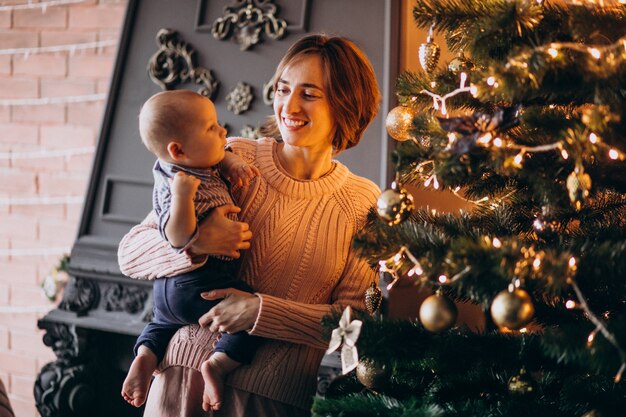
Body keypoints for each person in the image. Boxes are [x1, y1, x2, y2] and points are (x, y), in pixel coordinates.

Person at [118, 34, 382, 416]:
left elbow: (355, 321)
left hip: (272, 401)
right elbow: (130, 253)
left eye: (309, 94)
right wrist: (196, 243)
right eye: (283, 88)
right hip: (179, 382)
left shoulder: (362, 202)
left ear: (346, 104)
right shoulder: (232, 157)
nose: (288, 106)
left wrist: (260, 312)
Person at [121, 90, 262, 412]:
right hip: (200, 282)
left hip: (169, 290)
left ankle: (145, 356)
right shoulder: (177, 183)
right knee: (253, 313)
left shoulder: (192, 160)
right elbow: (176, 235)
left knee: (161, 323)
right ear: (178, 149)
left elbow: (217, 155)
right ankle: (218, 365)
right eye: (212, 128)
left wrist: (232, 160)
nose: (223, 131)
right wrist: (184, 199)